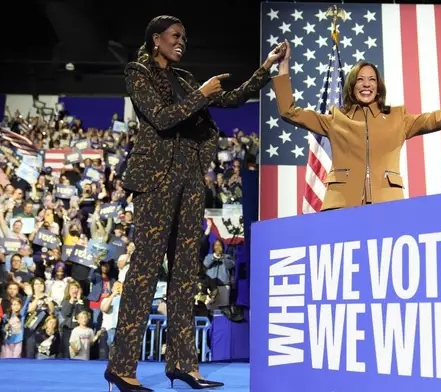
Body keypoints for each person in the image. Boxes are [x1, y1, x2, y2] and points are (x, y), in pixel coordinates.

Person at [104, 15, 285, 392]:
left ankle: (184, 365)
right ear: (156, 40)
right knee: (145, 273)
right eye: (175, 36)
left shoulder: (185, 79)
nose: (181, 42)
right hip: (156, 180)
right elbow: (161, 117)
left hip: (189, 182)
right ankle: (121, 368)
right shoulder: (137, 72)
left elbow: (233, 98)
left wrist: (265, 69)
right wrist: (200, 95)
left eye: (184, 37)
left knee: (186, 277)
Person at [273, 40, 441, 210]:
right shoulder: (335, 118)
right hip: (341, 207)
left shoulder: (398, 119)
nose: (366, 84)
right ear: (351, 86)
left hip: (388, 206)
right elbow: (289, 112)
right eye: (360, 80)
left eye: (372, 80)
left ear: (378, 87)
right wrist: (283, 66)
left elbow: (437, 118)